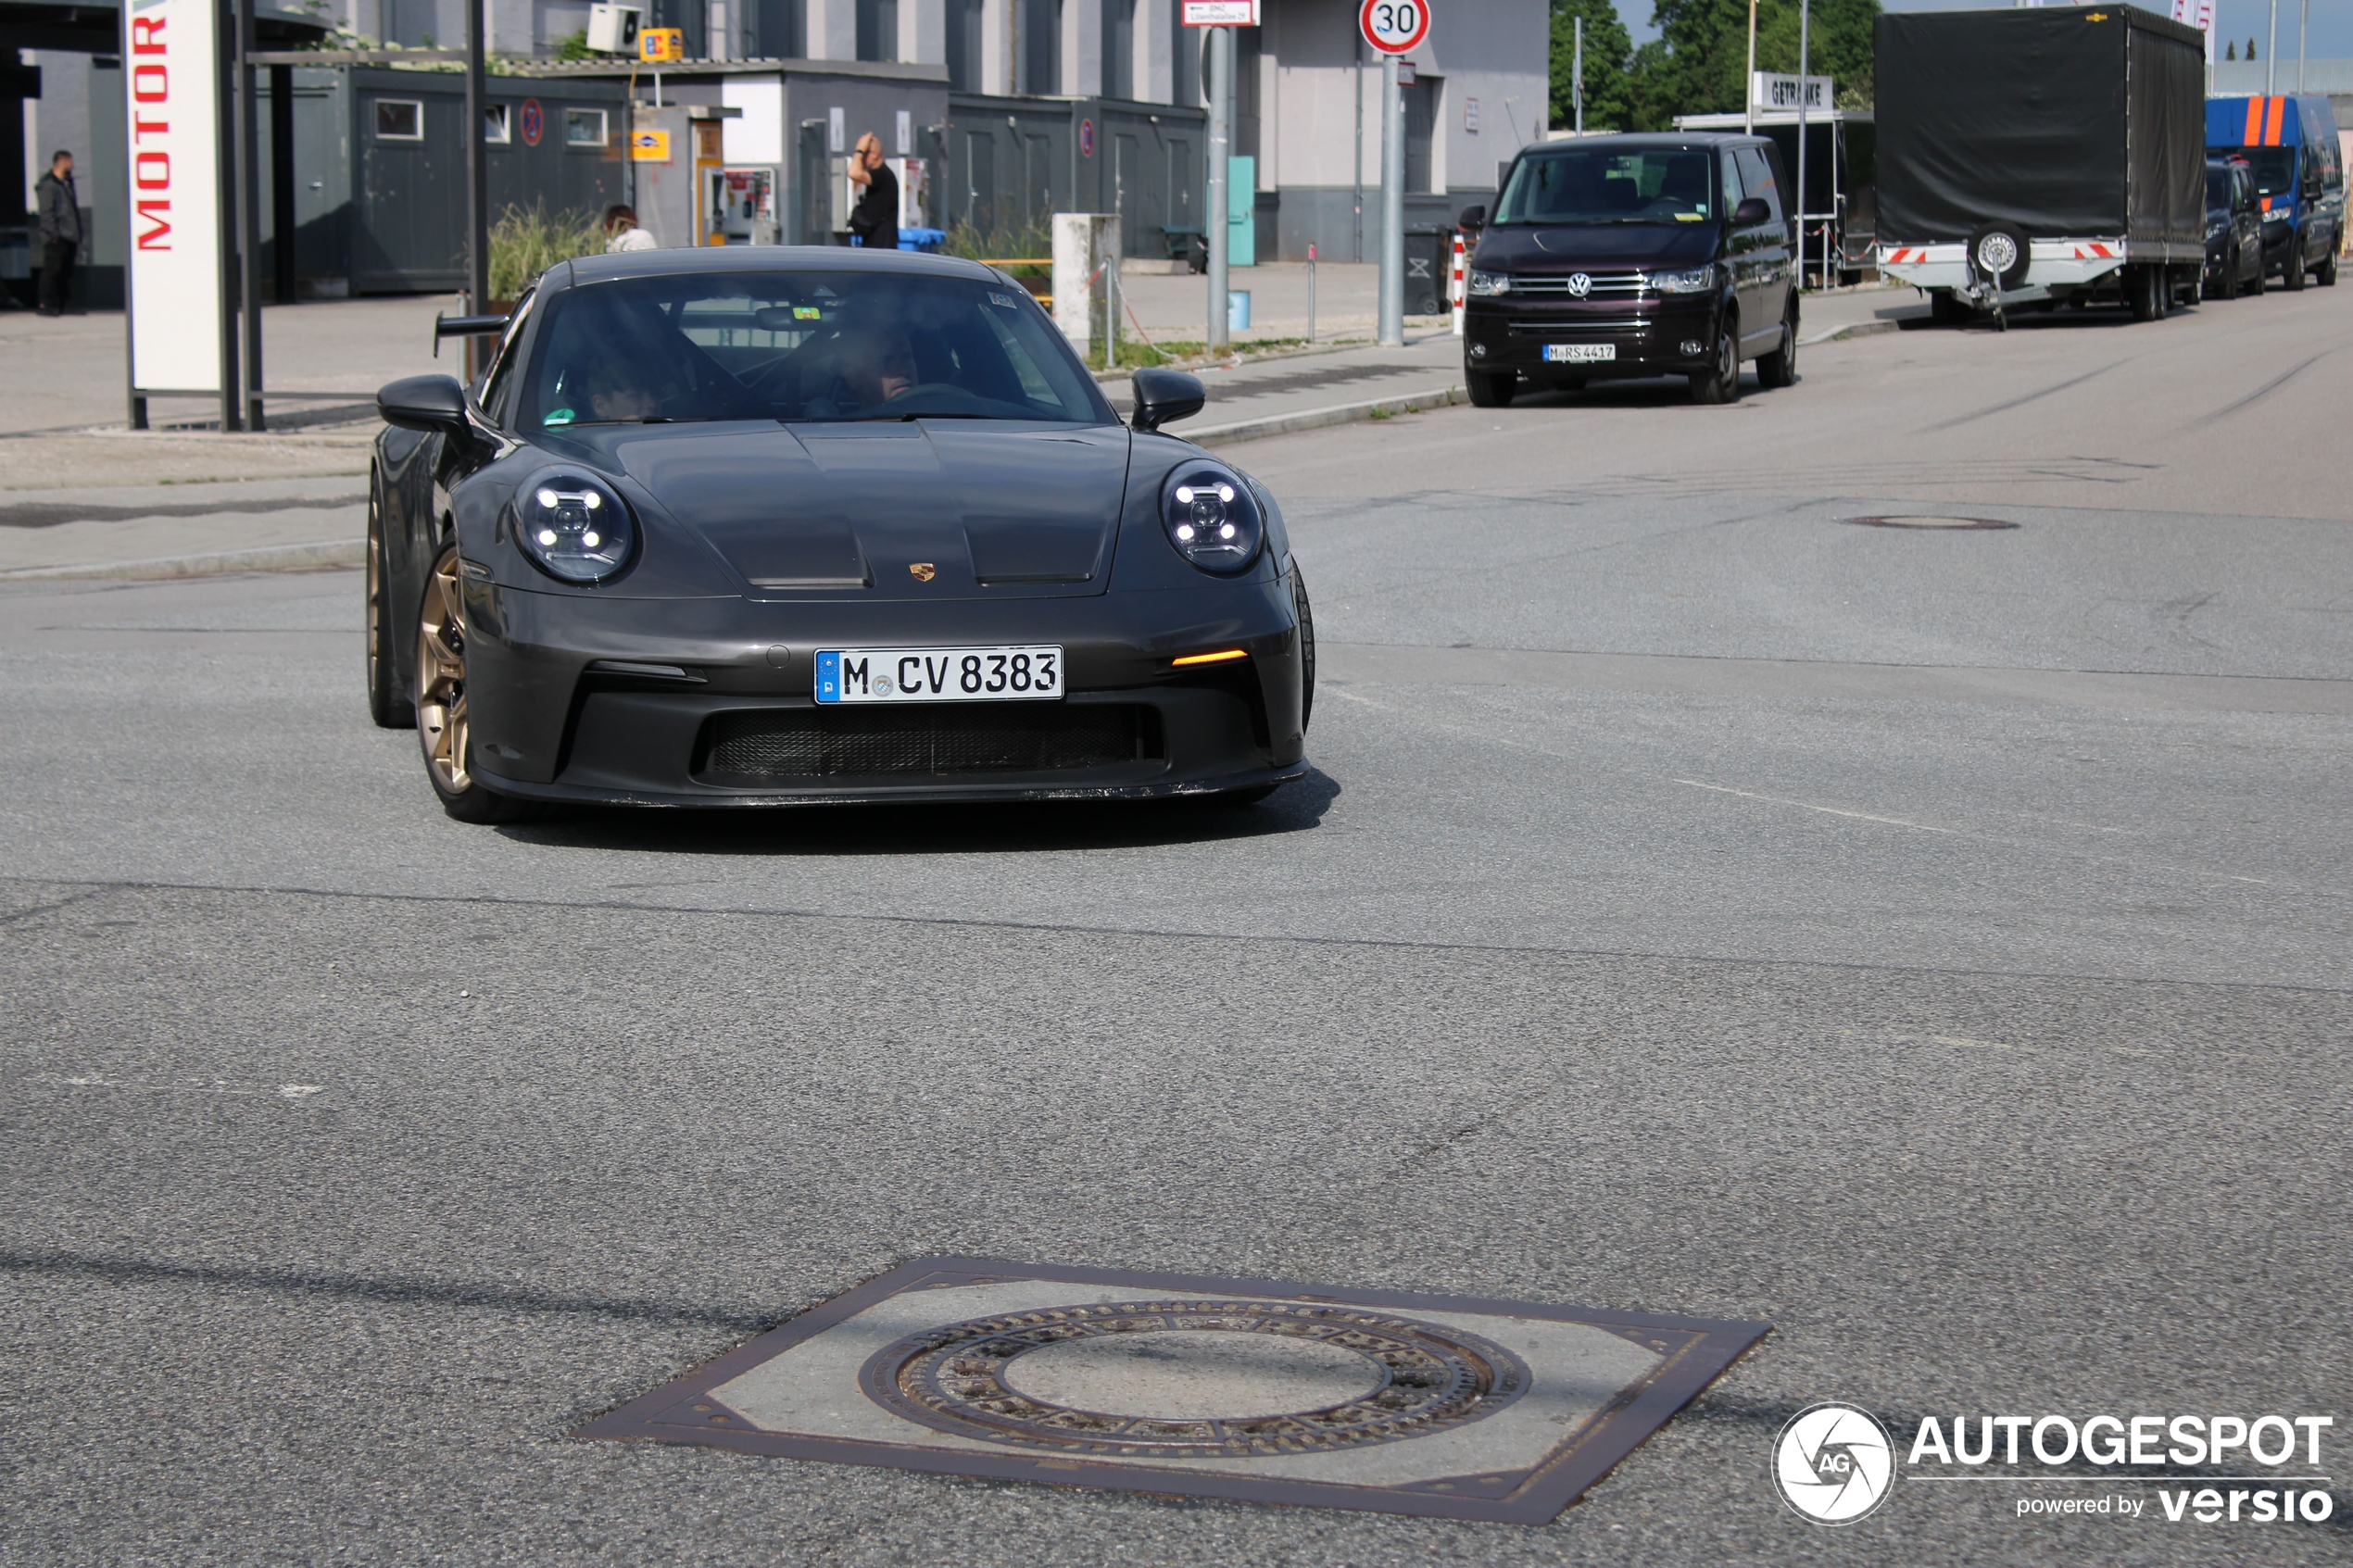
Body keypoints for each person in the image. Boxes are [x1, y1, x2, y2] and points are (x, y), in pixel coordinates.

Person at [35, 150, 81, 316]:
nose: (73, 165)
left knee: (65, 271)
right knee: (51, 270)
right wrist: (53, 235)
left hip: (69, 234)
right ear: (63, 162)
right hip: (56, 236)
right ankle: (44, 303)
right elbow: (47, 212)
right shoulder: (49, 185)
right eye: (70, 161)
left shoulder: (66, 183)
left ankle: (64, 303)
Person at [845, 133, 899, 252]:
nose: (861, 159)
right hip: (873, 244)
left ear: (874, 154)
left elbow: (853, 173)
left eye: (864, 154)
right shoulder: (877, 177)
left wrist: (859, 151)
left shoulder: (882, 175)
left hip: (883, 247)